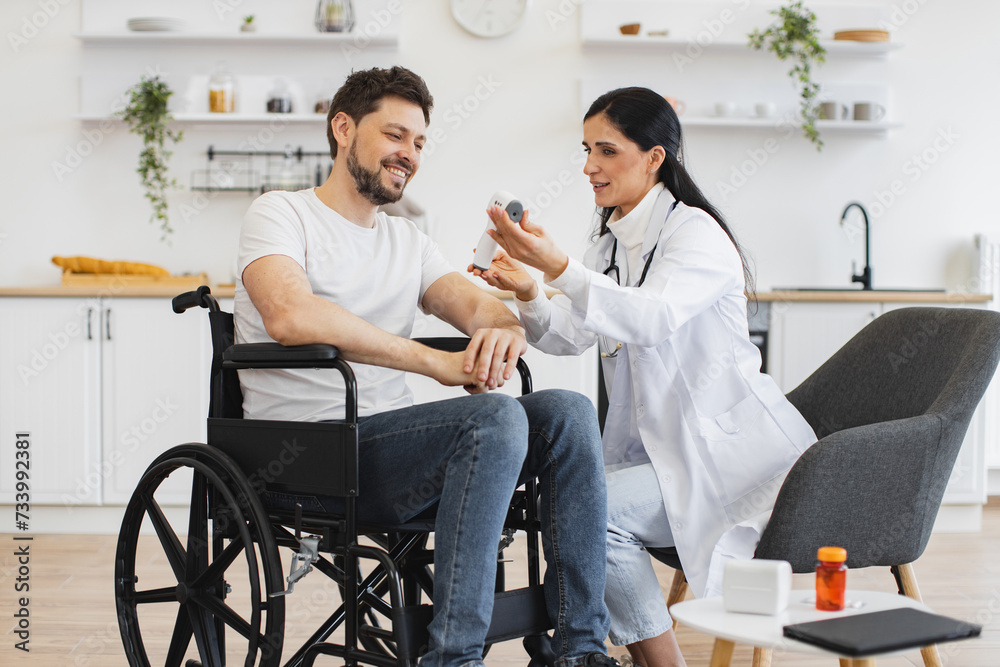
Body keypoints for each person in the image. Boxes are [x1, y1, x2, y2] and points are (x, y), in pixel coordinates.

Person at [234, 66, 615, 667]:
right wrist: (433, 363)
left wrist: (504, 330)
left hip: (388, 448)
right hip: (309, 452)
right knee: (492, 420)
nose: (407, 154)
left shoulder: (407, 240)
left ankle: (579, 650)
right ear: (342, 128)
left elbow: (478, 306)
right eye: (394, 136)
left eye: (417, 142)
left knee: (567, 413)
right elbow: (289, 315)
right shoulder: (280, 214)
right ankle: (453, 659)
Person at [470, 87, 818, 667]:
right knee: (569, 499)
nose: (589, 167)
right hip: (661, 456)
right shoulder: (611, 243)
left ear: (654, 157)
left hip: (732, 462)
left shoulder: (696, 234)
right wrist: (530, 290)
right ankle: (587, 649)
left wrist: (557, 266)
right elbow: (572, 335)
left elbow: (650, 318)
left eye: (606, 151)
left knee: (590, 513)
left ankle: (660, 663)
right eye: (586, 150)